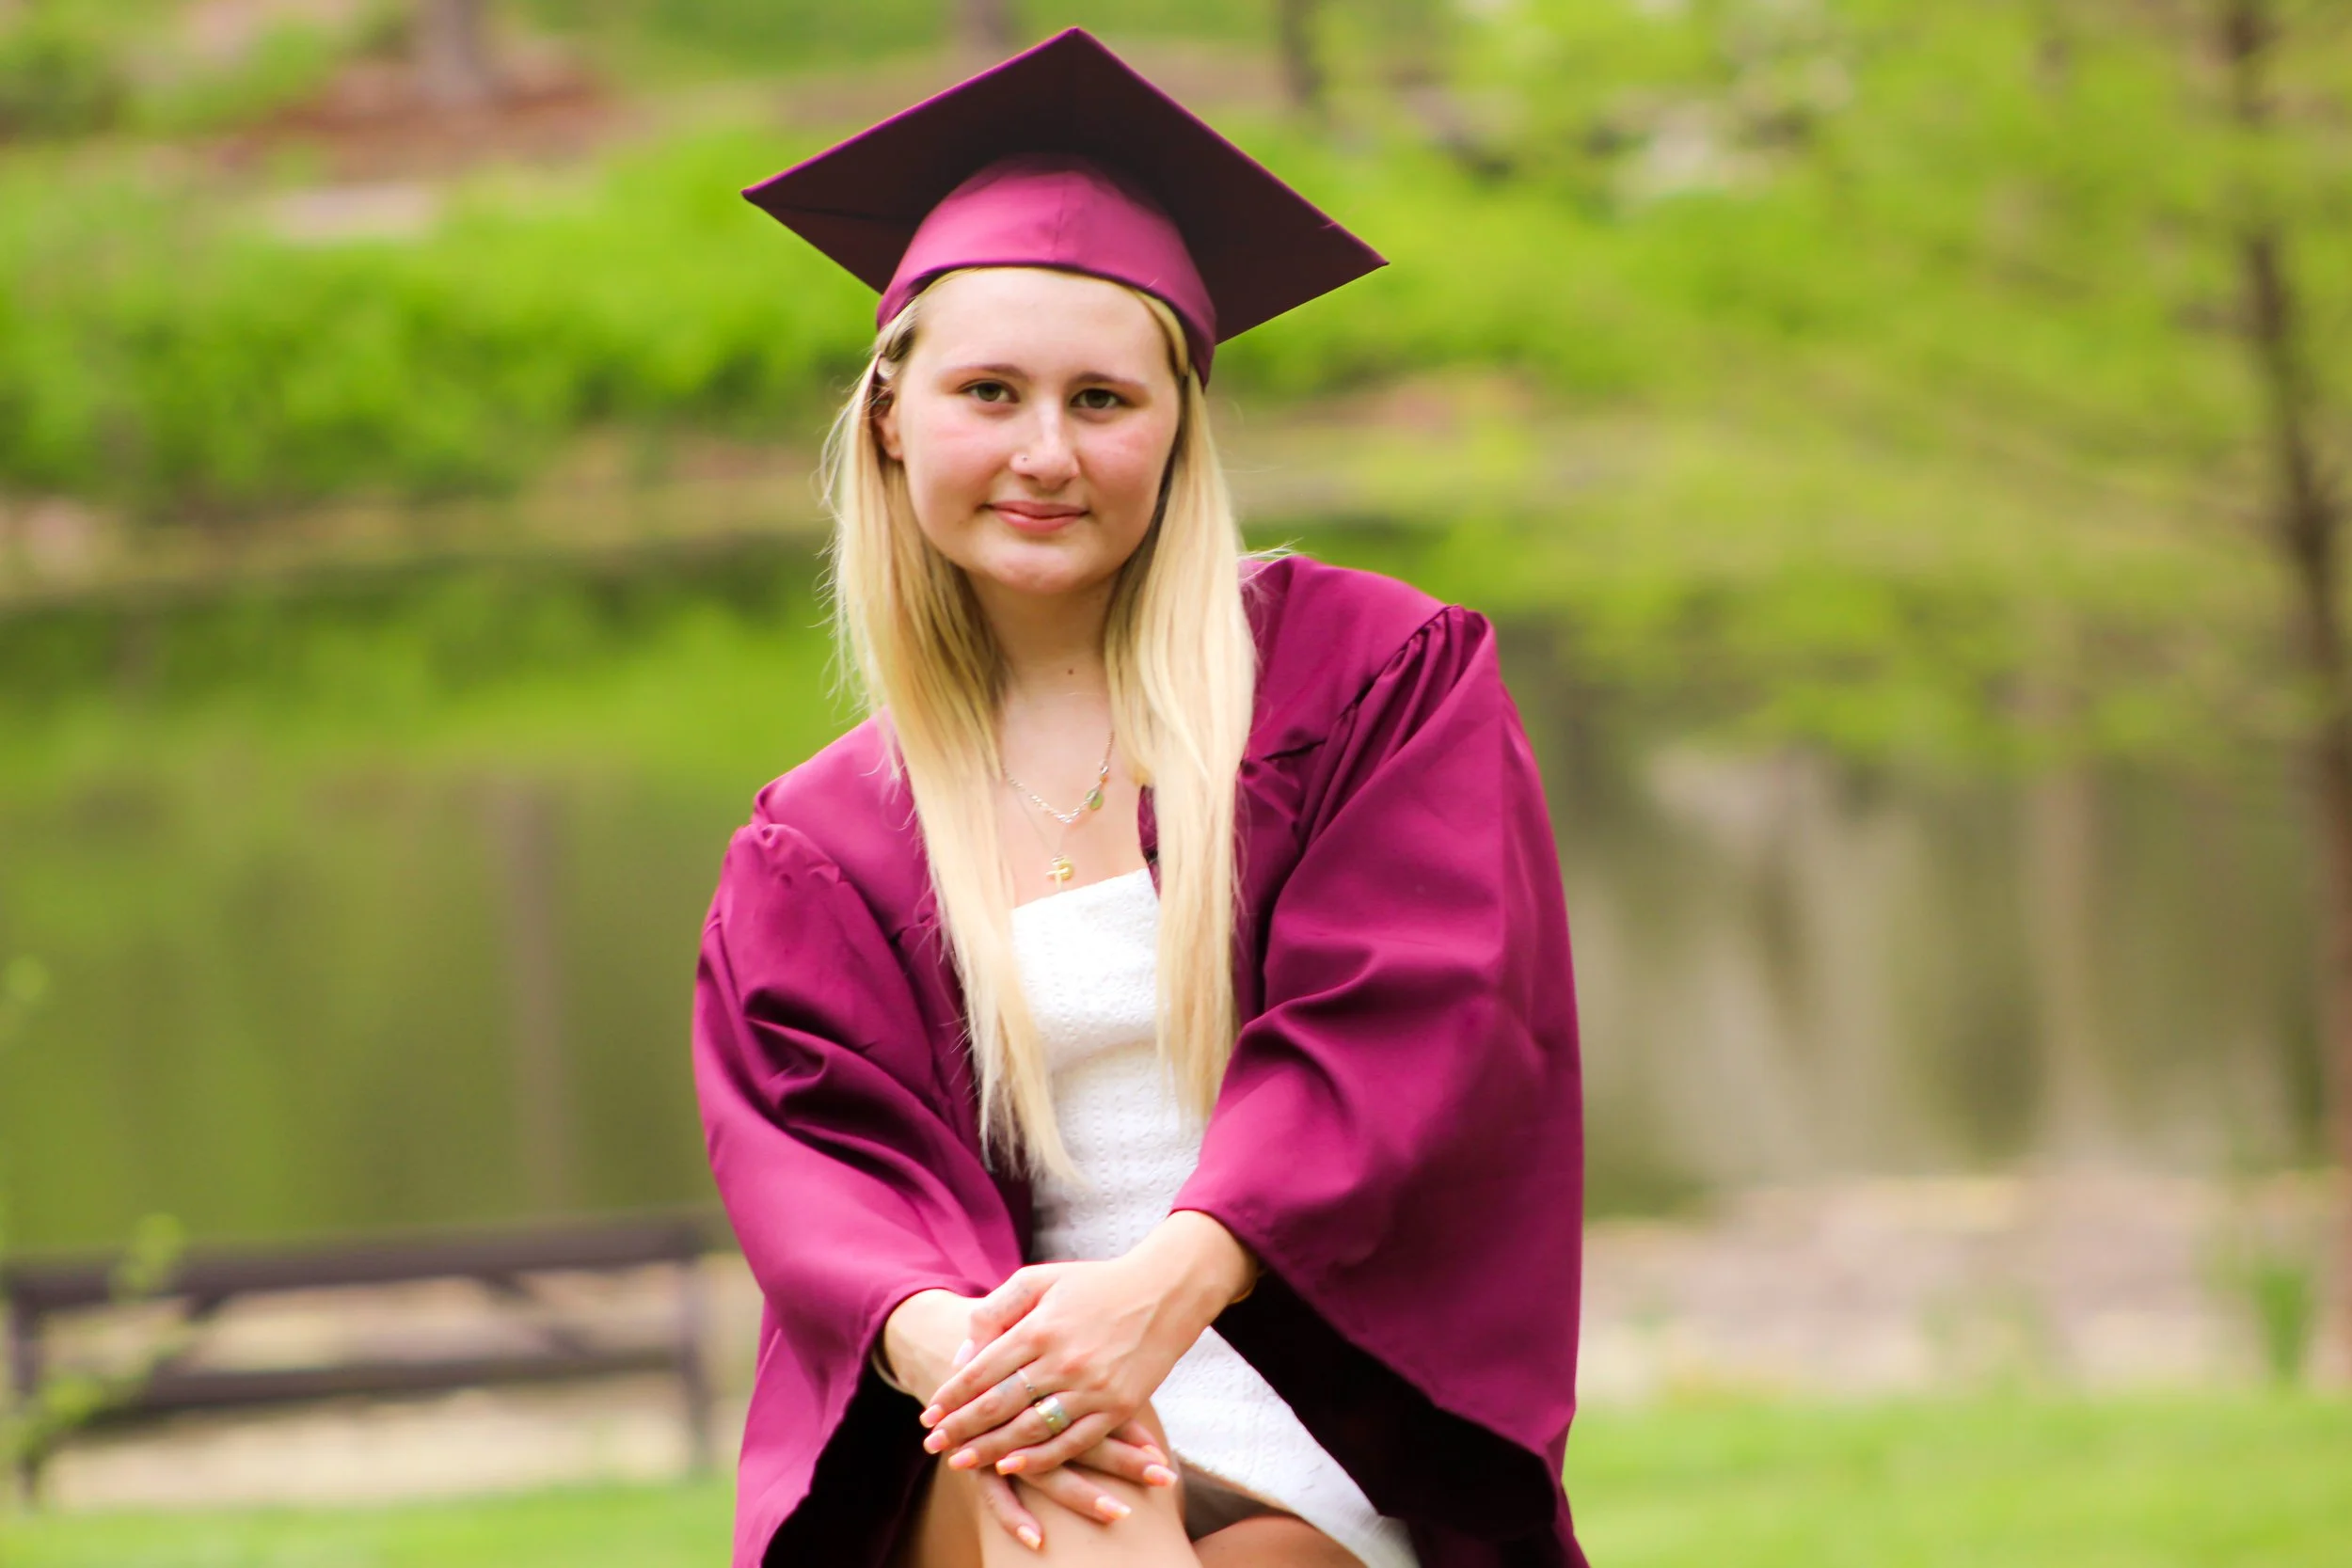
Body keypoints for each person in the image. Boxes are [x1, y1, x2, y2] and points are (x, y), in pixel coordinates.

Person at [692, 28, 1587, 1568]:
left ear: (1179, 428)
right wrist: (964, 1357)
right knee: (1075, 1510)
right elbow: (818, 1171)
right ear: (893, 414)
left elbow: (1411, 1037)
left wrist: (1156, 1296)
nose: (1047, 453)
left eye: (1104, 398)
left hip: (1309, 1388)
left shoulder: (1370, 683)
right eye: (991, 391)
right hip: (996, 1411)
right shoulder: (822, 840)